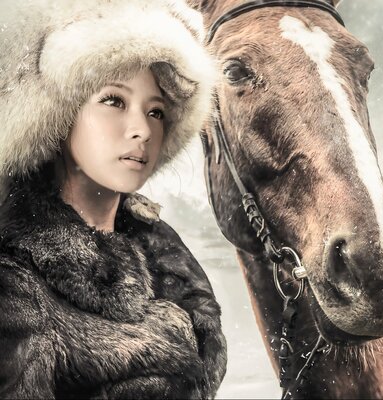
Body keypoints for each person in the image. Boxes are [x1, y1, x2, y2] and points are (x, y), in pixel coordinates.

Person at [0, 0, 226, 398]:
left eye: (156, 112)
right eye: (113, 101)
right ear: (59, 114)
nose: (141, 129)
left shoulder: (165, 255)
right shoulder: (13, 283)